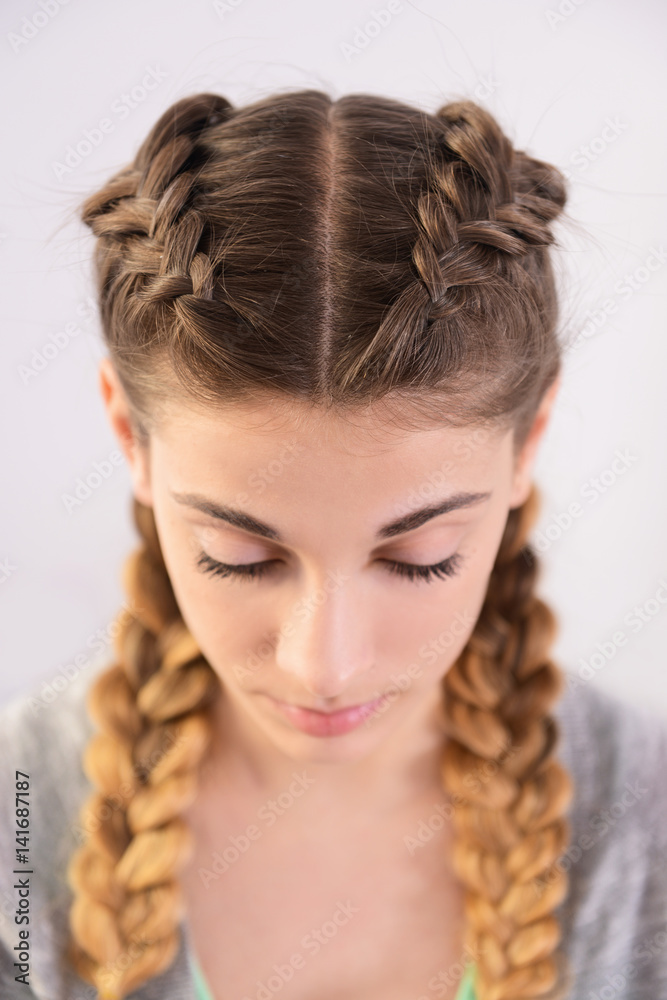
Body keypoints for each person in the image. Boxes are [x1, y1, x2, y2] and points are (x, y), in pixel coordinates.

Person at [0, 89, 665, 1000]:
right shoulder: (16, 822)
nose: (325, 666)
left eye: (418, 556)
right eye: (239, 556)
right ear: (129, 436)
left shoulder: (647, 831)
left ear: (530, 438)